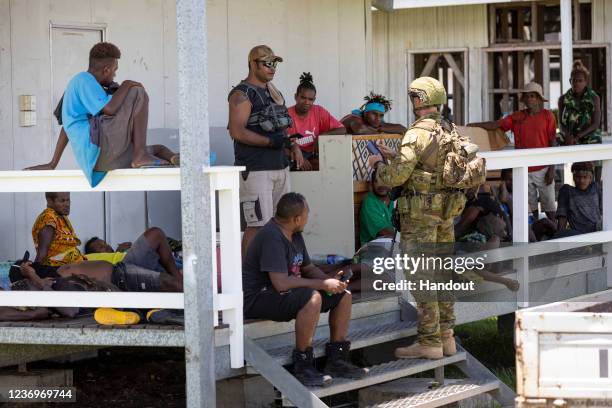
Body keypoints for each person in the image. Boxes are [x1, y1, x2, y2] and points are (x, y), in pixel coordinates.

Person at [368, 76, 485, 360]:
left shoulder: (416, 133)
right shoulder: (450, 130)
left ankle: (429, 342)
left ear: (418, 100)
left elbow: (396, 177)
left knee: (422, 278)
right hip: (446, 215)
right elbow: (433, 168)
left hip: (420, 217)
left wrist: (379, 166)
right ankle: (447, 337)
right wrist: (396, 155)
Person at [242, 193, 369, 386]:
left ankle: (337, 360)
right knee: (313, 298)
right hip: (259, 298)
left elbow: (308, 268)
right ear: (296, 219)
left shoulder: (295, 234)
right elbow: (281, 283)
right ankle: (303, 364)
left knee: (344, 296)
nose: (308, 218)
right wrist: (321, 285)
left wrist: (330, 281)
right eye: (307, 214)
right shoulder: (271, 237)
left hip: (283, 294)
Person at [25, 42, 179, 186]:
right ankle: (140, 155)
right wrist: (126, 84)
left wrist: (53, 163)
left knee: (158, 149)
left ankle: (171, 158)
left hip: (98, 160)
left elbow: (67, 126)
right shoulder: (84, 80)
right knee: (137, 92)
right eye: (114, 71)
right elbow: (110, 109)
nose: (114, 76)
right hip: (99, 148)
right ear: (106, 70)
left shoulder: (83, 87)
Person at [228, 45, 297, 257]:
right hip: (256, 169)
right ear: (253, 64)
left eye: (274, 63)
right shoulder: (242, 93)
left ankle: (277, 273)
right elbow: (236, 132)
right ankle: (249, 279)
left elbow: (282, 127)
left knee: (283, 224)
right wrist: (269, 142)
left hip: (280, 166)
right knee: (257, 225)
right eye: (267, 63)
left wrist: (291, 145)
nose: (272, 68)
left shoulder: (273, 91)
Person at [469, 82, 557, 221]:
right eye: (527, 96)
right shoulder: (517, 116)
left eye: (533, 96)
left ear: (539, 99)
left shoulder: (548, 116)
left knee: (550, 208)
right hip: (524, 169)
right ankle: (534, 235)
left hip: (544, 168)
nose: (530, 99)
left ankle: (556, 237)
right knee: (530, 209)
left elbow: (553, 142)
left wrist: (552, 168)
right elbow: (496, 125)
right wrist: (474, 125)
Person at [286, 72, 346, 171]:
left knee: (330, 166)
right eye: (303, 98)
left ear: (314, 99)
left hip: (313, 154)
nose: (306, 102)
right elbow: (279, 145)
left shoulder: (318, 111)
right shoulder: (286, 114)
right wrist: (300, 158)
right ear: (296, 96)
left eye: (310, 99)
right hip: (293, 153)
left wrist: (322, 136)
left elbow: (342, 130)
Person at [84, 227, 182, 279]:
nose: (106, 246)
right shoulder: (95, 260)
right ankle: (179, 279)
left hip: (165, 261)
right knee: (155, 234)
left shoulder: (121, 252)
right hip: (132, 270)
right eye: (101, 247)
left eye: (105, 243)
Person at [32, 192, 85, 266]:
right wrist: (33, 272)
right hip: (60, 269)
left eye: (68, 200)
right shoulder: (48, 219)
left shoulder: (59, 216)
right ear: (49, 201)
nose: (67, 204)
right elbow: (42, 254)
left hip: (74, 265)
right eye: (62, 201)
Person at [558, 61, 602, 146]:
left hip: (588, 134)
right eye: (574, 80)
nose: (577, 83)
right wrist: (567, 136)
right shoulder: (563, 99)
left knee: (595, 138)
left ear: (586, 82)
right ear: (570, 81)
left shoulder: (594, 98)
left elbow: (596, 124)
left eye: (580, 81)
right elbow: (560, 123)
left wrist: (578, 136)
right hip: (569, 135)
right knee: (557, 138)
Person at [555, 161, 601, 237]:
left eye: (585, 177)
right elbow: (562, 218)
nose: (581, 181)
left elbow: (604, 212)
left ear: (590, 178)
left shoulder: (595, 188)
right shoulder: (567, 191)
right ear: (573, 177)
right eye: (578, 177)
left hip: (598, 230)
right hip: (579, 234)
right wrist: (559, 237)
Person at [359, 167, 396, 246]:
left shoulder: (393, 199)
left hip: (391, 245)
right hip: (372, 249)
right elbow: (384, 232)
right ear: (372, 184)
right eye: (376, 181)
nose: (380, 185)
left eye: (384, 181)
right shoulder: (370, 202)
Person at [341, 92, 407, 135]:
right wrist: (382, 130)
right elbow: (360, 129)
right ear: (365, 113)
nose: (378, 118)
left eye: (381, 115)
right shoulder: (353, 118)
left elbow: (403, 129)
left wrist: (382, 128)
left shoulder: (375, 122)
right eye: (374, 114)